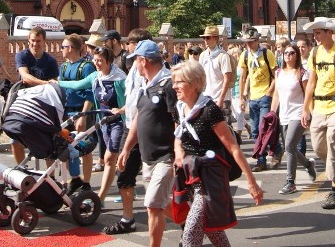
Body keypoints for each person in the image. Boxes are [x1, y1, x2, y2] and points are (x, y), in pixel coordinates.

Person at [172, 61, 263, 247]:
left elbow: (233, 147)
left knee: (189, 235)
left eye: (179, 82)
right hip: (190, 177)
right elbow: (178, 137)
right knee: (209, 228)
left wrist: (251, 182)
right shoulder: (179, 109)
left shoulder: (209, 110)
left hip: (210, 179)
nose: (174, 86)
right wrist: (178, 152)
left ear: (194, 83)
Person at [117, 40, 178, 247]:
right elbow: (138, 119)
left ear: (143, 61)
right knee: (162, 203)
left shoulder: (169, 85)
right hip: (147, 157)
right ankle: (191, 222)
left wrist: (179, 153)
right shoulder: (145, 87)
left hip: (166, 156)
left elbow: (179, 121)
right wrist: (126, 148)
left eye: (135, 61)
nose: (134, 65)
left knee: (152, 204)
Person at [56, 45, 126, 202]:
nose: (97, 63)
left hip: (118, 123)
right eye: (95, 60)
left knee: (109, 159)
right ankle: (128, 187)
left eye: (100, 61)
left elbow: (134, 99)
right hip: (104, 122)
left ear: (109, 61)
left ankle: (99, 198)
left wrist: (121, 110)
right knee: (118, 159)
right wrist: (56, 83)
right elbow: (77, 85)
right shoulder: (96, 76)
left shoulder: (120, 79)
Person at [300, 18, 335, 209]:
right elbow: (311, 83)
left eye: (318, 33)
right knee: (318, 148)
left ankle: (334, 191)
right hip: (319, 108)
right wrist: (305, 108)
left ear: (329, 33)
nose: (315, 37)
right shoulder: (314, 53)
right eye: (314, 34)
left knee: (333, 146)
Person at [103, 28, 150, 236]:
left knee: (154, 182)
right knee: (125, 175)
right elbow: (132, 100)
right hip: (129, 125)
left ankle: (186, 223)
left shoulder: (150, 71)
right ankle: (127, 219)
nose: (127, 47)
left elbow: (145, 104)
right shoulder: (133, 68)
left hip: (144, 130)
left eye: (130, 43)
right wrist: (121, 110)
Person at [270, 44, 317, 193]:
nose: (288, 55)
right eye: (286, 53)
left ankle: (290, 182)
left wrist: (308, 112)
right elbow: (276, 95)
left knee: (289, 145)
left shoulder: (302, 73)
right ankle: (308, 165)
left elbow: (308, 93)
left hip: (298, 113)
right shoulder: (279, 73)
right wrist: (272, 113)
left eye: (291, 53)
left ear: (296, 55)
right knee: (289, 147)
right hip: (284, 114)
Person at [12, 26, 60, 163]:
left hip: (42, 105)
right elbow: (25, 77)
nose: (35, 44)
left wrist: (49, 84)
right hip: (24, 103)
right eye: (33, 40)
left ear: (44, 41)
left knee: (46, 143)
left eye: (38, 41)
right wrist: (45, 83)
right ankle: (22, 169)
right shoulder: (22, 56)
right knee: (15, 141)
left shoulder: (51, 62)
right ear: (28, 40)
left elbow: (54, 84)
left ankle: (50, 178)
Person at [59, 34, 97, 195]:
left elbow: (90, 93)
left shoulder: (86, 67)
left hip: (82, 111)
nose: (61, 50)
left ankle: (87, 183)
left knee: (85, 148)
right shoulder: (64, 67)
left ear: (71, 48)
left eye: (63, 47)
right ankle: (75, 179)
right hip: (67, 112)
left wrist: (83, 114)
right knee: (68, 147)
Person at [238, 28, 280, 171]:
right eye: (246, 42)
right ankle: (261, 161)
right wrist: (241, 97)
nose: (249, 45)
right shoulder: (244, 55)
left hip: (265, 97)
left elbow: (276, 75)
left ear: (257, 41)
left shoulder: (267, 54)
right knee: (255, 130)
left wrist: (269, 92)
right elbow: (243, 77)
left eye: (251, 42)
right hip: (253, 97)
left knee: (266, 128)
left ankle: (276, 151)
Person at [198, 25, 233, 125]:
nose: (205, 40)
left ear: (216, 38)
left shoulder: (223, 56)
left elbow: (227, 78)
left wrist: (221, 99)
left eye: (208, 37)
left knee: (225, 128)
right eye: (204, 38)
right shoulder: (203, 55)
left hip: (221, 97)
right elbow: (200, 76)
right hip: (207, 97)